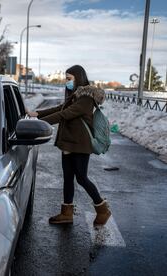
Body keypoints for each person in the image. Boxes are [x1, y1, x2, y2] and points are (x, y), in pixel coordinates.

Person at [27, 65, 111, 226]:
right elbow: (61, 108)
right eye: (66, 78)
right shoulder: (75, 96)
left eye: (69, 78)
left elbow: (65, 114)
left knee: (81, 177)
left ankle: (102, 209)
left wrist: (41, 122)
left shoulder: (86, 98)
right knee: (67, 178)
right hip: (69, 143)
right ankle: (67, 213)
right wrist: (37, 114)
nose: (66, 82)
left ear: (78, 78)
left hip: (80, 144)